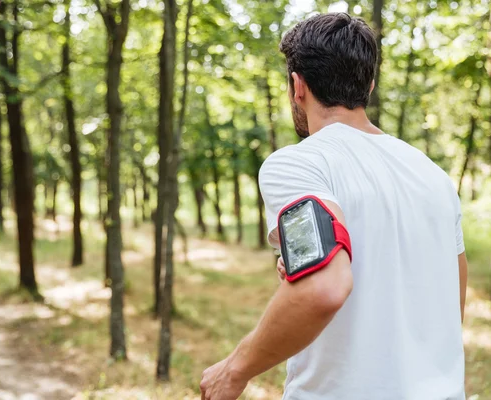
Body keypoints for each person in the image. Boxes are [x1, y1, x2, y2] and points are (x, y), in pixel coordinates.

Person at [200, 12, 467, 400]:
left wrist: (234, 369)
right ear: (370, 85)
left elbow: (323, 288)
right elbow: (447, 302)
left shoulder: (299, 163)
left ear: (297, 85)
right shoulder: (435, 178)